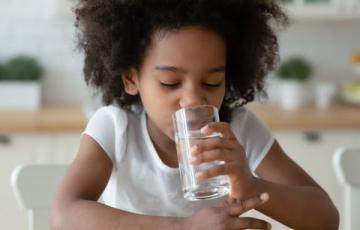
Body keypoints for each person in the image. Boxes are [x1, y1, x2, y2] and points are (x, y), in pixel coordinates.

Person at [51, 0, 339, 229]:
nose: (192, 100)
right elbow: (64, 216)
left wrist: (251, 185)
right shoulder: (115, 128)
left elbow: (326, 219)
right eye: (170, 83)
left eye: (212, 83)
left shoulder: (239, 129)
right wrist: (183, 227)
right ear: (131, 78)